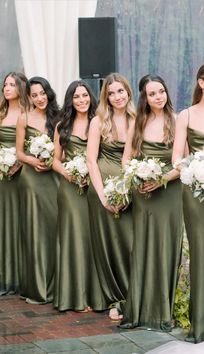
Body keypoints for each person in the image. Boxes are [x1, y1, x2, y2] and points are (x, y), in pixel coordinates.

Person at [145, 63, 204, 352]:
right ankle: (203, 324)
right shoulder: (185, 115)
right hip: (197, 196)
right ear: (201, 83)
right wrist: (200, 170)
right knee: (202, 254)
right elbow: (177, 159)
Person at [119, 74, 183, 330]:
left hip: (169, 192)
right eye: (152, 93)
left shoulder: (177, 120)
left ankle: (163, 312)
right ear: (144, 97)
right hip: (144, 192)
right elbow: (126, 158)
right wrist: (136, 176)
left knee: (166, 247)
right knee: (143, 247)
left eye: (161, 91)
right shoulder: (138, 122)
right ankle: (139, 310)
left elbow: (183, 161)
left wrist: (162, 179)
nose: (158, 97)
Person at [52, 80, 107, 312]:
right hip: (70, 188)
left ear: (91, 97)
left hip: (93, 187)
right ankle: (74, 295)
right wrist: (69, 174)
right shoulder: (62, 125)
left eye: (85, 95)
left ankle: (95, 295)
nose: (82, 100)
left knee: (93, 237)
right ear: (70, 100)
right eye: (76, 97)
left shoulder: (101, 123)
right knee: (74, 237)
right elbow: (55, 159)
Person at [86, 73, 136, 320]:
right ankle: (114, 298)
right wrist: (103, 196)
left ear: (128, 92)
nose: (117, 97)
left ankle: (133, 294)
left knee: (129, 243)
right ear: (106, 96)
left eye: (121, 91)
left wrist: (130, 186)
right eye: (112, 93)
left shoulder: (138, 119)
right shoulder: (98, 122)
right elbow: (91, 161)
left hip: (130, 189)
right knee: (108, 243)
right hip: (102, 188)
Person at [16, 76, 60, 304]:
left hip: (53, 179)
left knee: (54, 227)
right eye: (34, 95)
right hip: (31, 180)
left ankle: (56, 282)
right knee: (35, 229)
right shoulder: (24, 118)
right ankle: (37, 286)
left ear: (48, 92)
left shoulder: (58, 117)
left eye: (42, 93)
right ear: (29, 97)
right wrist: (32, 161)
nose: (39, 98)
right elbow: (19, 153)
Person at [0, 72, 30, 295]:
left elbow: (31, 144)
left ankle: (19, 276)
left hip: (21, 176)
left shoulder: (27, 113)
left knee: (19, 222)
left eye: (11, 84)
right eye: (5, 85)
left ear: (21, 87)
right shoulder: (0, 113)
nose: (6, 88)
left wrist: (18, 164)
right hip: (2, 177)